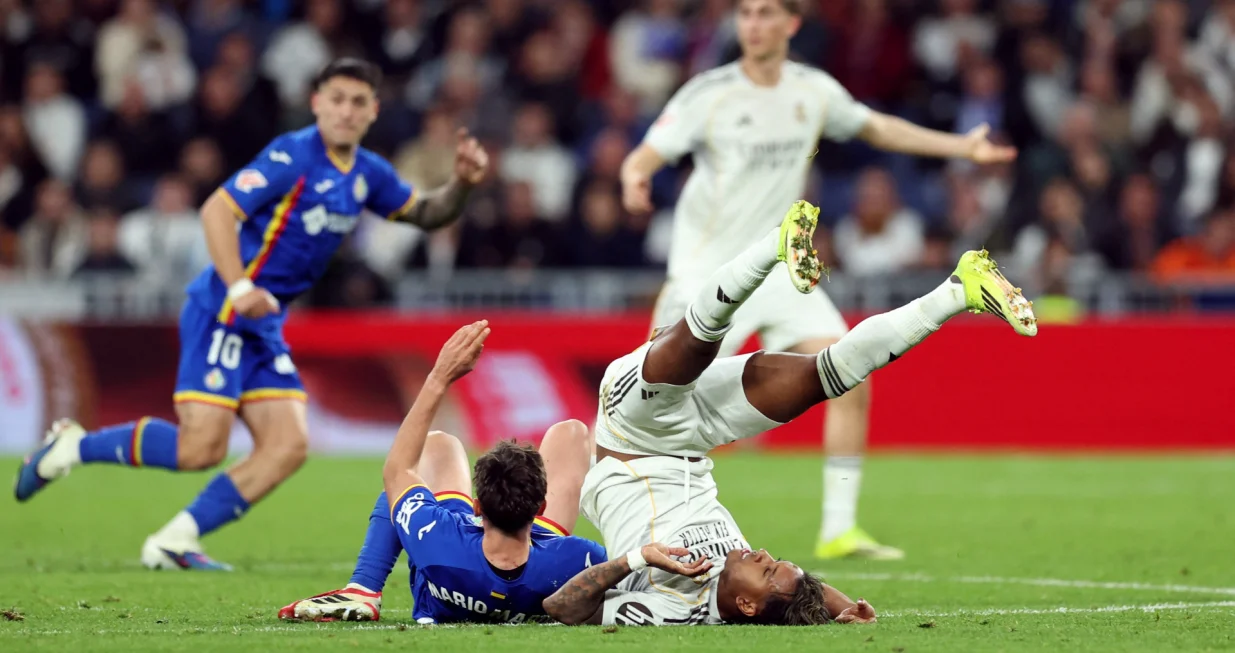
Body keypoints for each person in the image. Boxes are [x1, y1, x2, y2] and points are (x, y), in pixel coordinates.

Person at [13, 58, 491, 571]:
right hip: (223, 307)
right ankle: (72, 446)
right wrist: (240, 286)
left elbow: (427, 213)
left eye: (358, 102)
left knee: (287, 445)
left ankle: (174, 540)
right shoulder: (292, 154)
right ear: (317, 103)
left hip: (263, 322)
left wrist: (461, 184)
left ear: (373, 111)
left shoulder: (368, 174)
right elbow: (217, 210)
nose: (346, 111)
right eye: (337, 99)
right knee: (200, 448)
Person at [619, 0, 1018, 560]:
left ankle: (838, 528)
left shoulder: (813, 91)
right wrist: (633, 178)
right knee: (649, 408)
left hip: (781, 270)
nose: (753, 25)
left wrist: (962, 147)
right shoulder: (707, 94)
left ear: (791, 24)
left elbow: (879, 128)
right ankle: (620, 533)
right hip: (705, 276)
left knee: (850, 368)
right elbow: (646, 154)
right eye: (746, 15)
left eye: (765, 14)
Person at [543, 200, 1036, 625]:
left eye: (766, 569)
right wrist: (845, 605)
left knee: (694, 348)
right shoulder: (756, 584)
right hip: (697, 440)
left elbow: (563, 608)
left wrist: (635, 559)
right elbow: (803, 591)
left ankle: (771, 246)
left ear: (746, 605)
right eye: (777, 561)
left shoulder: (674, 605)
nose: (765, 555)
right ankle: (959, 289)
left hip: (630, 438)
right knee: (830, 375)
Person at [277, 419, 604, 623]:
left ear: (477, 507)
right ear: (540, 507)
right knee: (572, 431)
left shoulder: (437, 539)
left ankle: (363, 588)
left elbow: (397, 478)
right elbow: (612, 570)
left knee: (437, 444)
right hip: (536, 553)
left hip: (463, 552)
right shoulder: (578, 557)